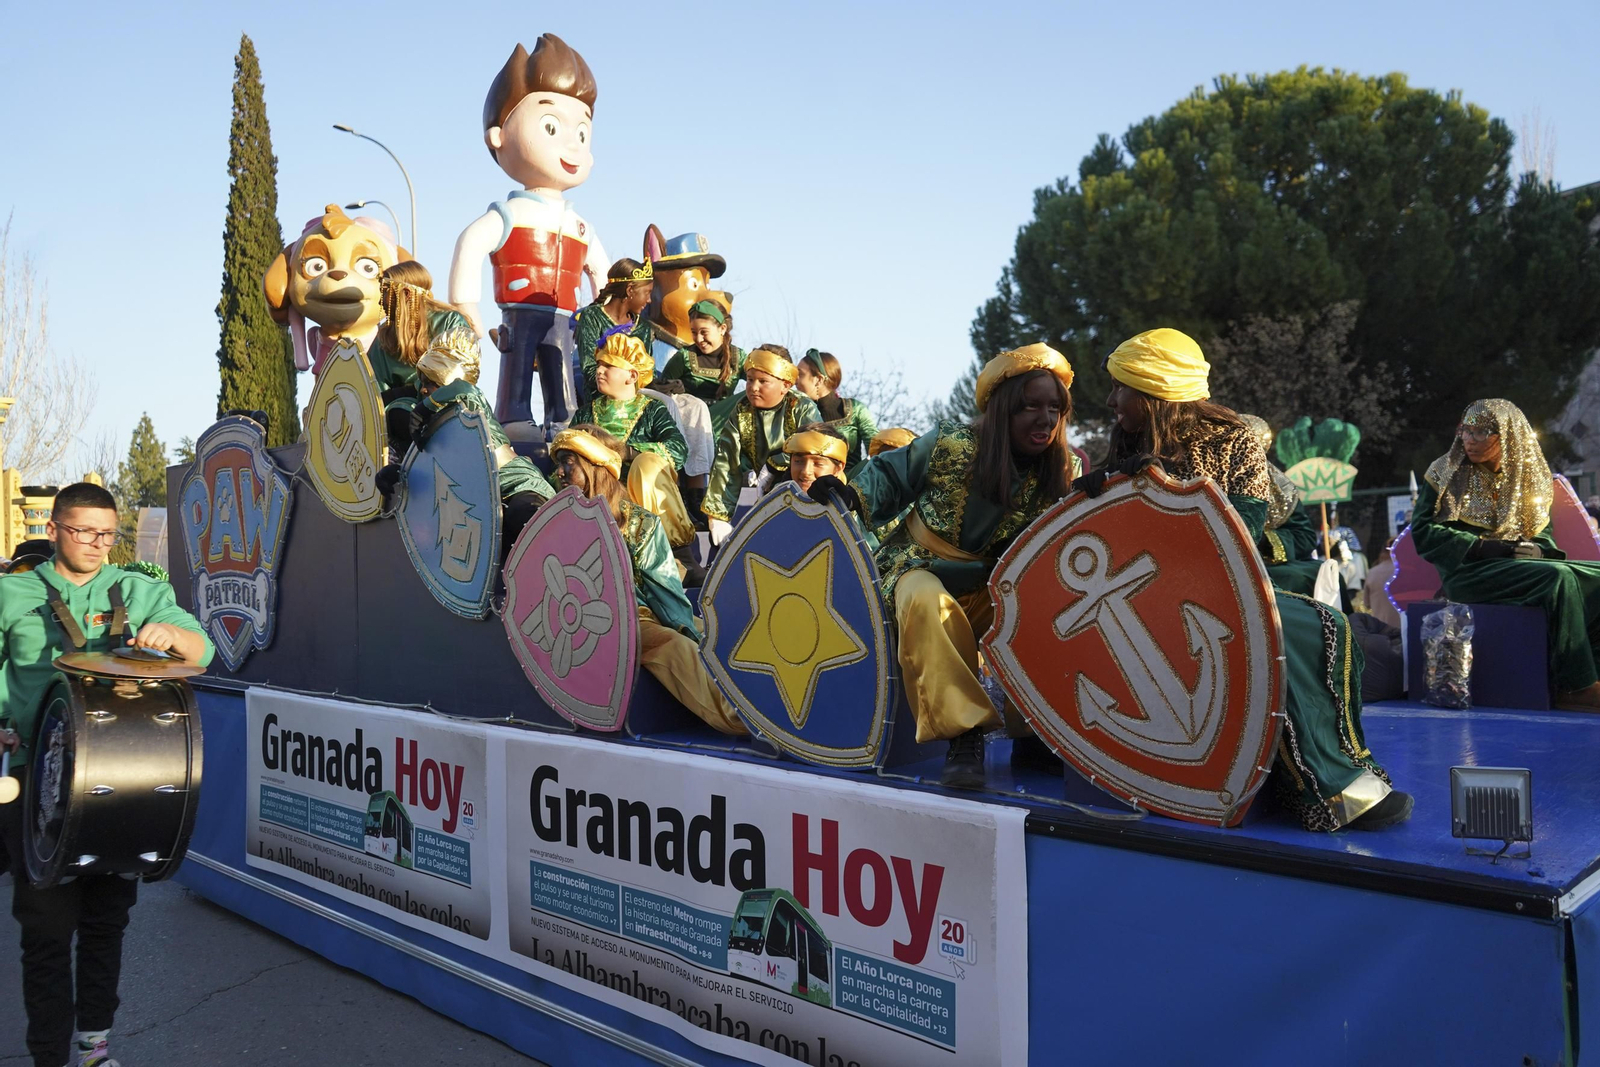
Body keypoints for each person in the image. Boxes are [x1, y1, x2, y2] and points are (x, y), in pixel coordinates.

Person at [1089, 327, 1411, 831]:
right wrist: (1093, 493)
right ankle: (1325, 791)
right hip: (1137, 597)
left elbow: (1239, 527)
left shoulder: (1232, 437)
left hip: (1213, 584)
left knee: (1323, 623)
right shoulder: (1126, 441)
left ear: (1154, 393)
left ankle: (1340, 776)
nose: (1111, 401)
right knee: (1294, 628)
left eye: (1120, 388)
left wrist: (1163, 492)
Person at [0, 482, 215, 1067]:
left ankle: (94, 1048)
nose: (95, 544)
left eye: (105, 534)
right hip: (37, 779)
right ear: (55, 531)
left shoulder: (137, 590)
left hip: (122, 779)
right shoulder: (11, 593)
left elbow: (200, 649)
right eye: (81, 532)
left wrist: (171, 635)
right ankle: (49, 1057)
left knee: (106, 922)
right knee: (45, 931)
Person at [809, 344, 1079, 788]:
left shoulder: (1056, 473)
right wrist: (849, 493)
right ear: (1003, 409)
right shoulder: (952, 443)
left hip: (993, 586)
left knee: (1042, 608)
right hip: (918, 570)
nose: (1046, 418)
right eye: (1031, 406)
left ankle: (1034, 734)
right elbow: (891, 475)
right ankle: (964, 733)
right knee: (923, 596)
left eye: (1055, 407)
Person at [549, 427, 747, 735]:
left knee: (705, 628)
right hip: (600, 626)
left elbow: (665, 594)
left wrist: (690, 629)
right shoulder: (555, 521)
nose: (559, 472)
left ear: (594, 464)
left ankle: (761, 699)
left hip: (638, 616)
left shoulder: (639, 522)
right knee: (675, 644)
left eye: (568, 462)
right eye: (558, 463)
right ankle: (739, 719)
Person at [1411, 398, 1600, 712]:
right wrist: (1480, 547)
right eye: (1466, 431)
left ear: (1508, 435)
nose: (1469, 439)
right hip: (1468, 573)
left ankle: (1593, 673)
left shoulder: (1528, 478)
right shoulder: (1444, 471)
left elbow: (1542, 536)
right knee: (1558, 577)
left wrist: (1537, 549)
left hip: (1515, 568)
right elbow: (1423, 533)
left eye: (1481, 432)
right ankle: (1575, 686)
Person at [377, 327, 555, 554]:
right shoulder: (439, 431)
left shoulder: (471, 405)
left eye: (430, 383)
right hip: (485, 503)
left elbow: (466, 388)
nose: (422, 389)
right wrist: (400, 473)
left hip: (519, 487)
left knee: (523, 518)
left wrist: (426, 407)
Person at [569, 333, 700, 581]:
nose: (600, 370)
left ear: (632, 375)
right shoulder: (586, 413)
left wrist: (630, 452)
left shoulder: (652, 410)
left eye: (609, 365)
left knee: (648, 464)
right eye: (599, 364)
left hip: (642, 496)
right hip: (602, 500)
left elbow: (677, 449)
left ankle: (679, 556)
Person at [702, 349, 822, 545]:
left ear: (785, 385)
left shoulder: (801, 407)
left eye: (763, 381)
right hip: (766, 493)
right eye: (749, 380)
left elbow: (814, 448)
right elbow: (727, 459)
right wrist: (718, 515)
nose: (753, 387)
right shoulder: (741, 411)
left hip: (807, 488)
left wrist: (773, 465)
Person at [366, 262, 473, 454]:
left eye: (385, 291)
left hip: (451, 413)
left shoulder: (450, 321)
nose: (380, 300)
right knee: (397, 414)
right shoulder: (383, 338)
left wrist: (407, 391)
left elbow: (457, 379)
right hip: (402, 426)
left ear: (406, 293)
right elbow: (375, 393)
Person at [1238, 414, 1326, 598]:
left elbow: (1305, 538)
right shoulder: (1207, 474)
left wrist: (1265, 541)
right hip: (1220, 564)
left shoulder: (1281, 489)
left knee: (1315, 574)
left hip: (1268, 565)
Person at [657, 298, 746, 433]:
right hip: (689, 424)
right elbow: (658, 391)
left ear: (722, 329)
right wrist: (672, 388)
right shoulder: (684, 356)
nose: (699, 339)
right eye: (694, 332)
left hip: (723, 425)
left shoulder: (738, 358)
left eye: (704, 332)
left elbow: (759, 379)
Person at [574, 258, 655, 400]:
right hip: (599, 404)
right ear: (630, 290)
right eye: (647, 293)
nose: (649, 300)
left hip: (634, 404)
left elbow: (645, 373)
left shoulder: (644, 328)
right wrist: (618, 384)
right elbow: (589, 369)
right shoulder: (592, 317)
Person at [794, 350, 879, 467]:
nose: (795, 381)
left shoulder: (856, 409)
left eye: (801, 374)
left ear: (819, 379)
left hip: (851, 482)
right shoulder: (795, 412)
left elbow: (877, 450)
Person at [782, 426, 850, 495]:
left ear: (838, 469)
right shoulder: (776, 500)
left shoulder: (848, 504)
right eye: (798, 461)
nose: (806, 472)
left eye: (818, 464)